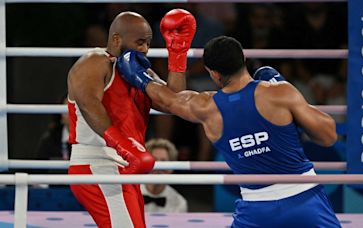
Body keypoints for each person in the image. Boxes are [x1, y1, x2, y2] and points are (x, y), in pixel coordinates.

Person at [118, 36, 341, 227]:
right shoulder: (280, 93)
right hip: (307, 201)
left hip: (256, 210)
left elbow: (168, 101)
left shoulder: (206, 107)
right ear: (243, 59)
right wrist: (290, 103)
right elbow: (328, 136)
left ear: (213, 73)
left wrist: (139, 75)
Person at [67, 9, 196, 228]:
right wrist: (123, 145)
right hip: (97, 163)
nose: (145, 49)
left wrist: (177, 55)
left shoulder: (140, 72)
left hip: (126, 166)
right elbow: (89, 105)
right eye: (140, 42)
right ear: (117, 39)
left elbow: (172, 102)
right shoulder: (95, 61)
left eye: (148, 43)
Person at [141, 138, 188, 213]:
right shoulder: (130, 197)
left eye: (163, 161)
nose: (159, 166)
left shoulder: (179, 202)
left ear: (171, 168)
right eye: (154, 160)